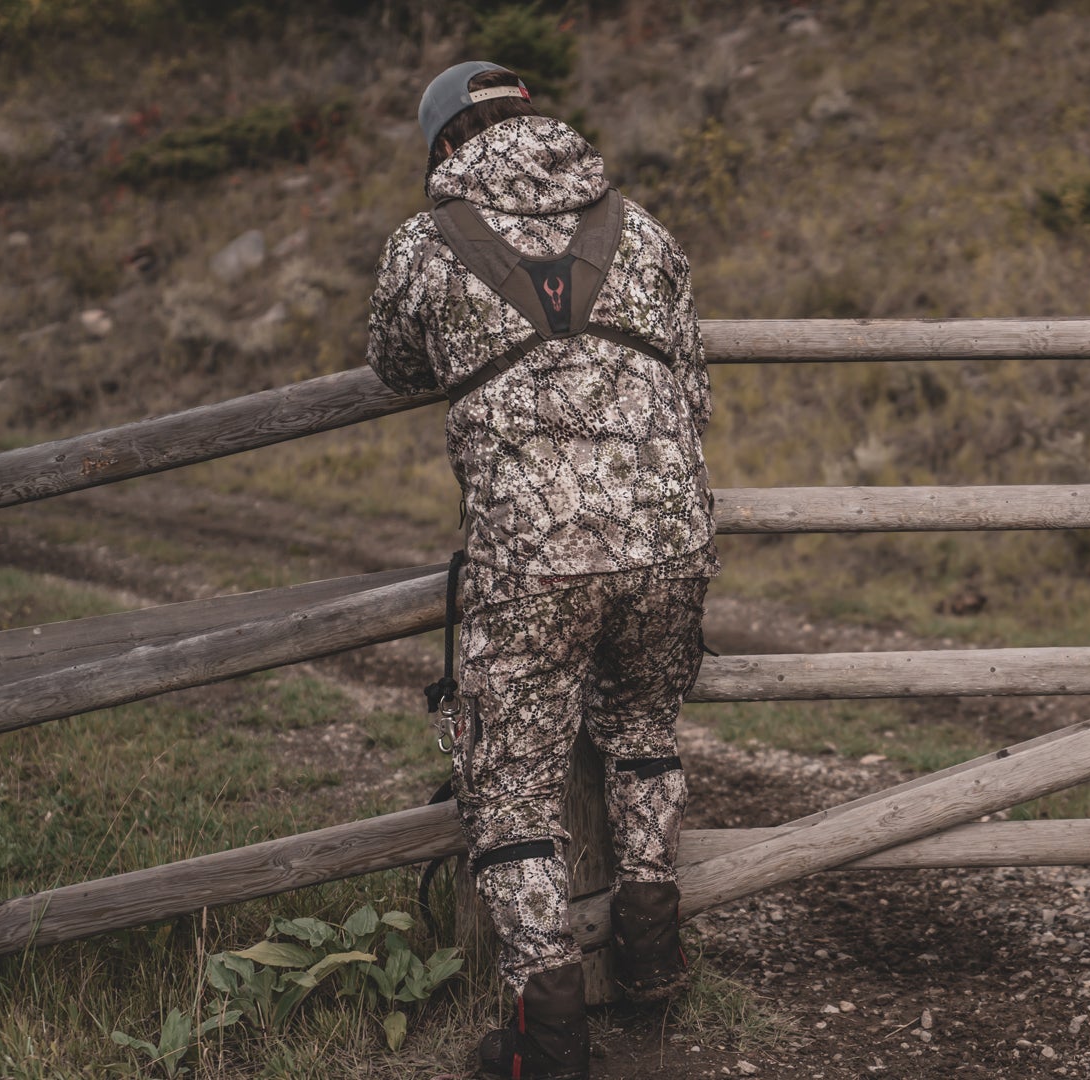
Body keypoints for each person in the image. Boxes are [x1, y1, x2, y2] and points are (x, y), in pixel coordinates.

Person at [366, 60, 719, 1079]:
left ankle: (548, 1032)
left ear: (443, 146)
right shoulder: (642, 229)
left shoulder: (426, 245)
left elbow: (394, 366)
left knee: (512, 792)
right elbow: (692, 390)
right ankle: (652, 957)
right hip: (670, 537)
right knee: (644, 731)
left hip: (532, 559)